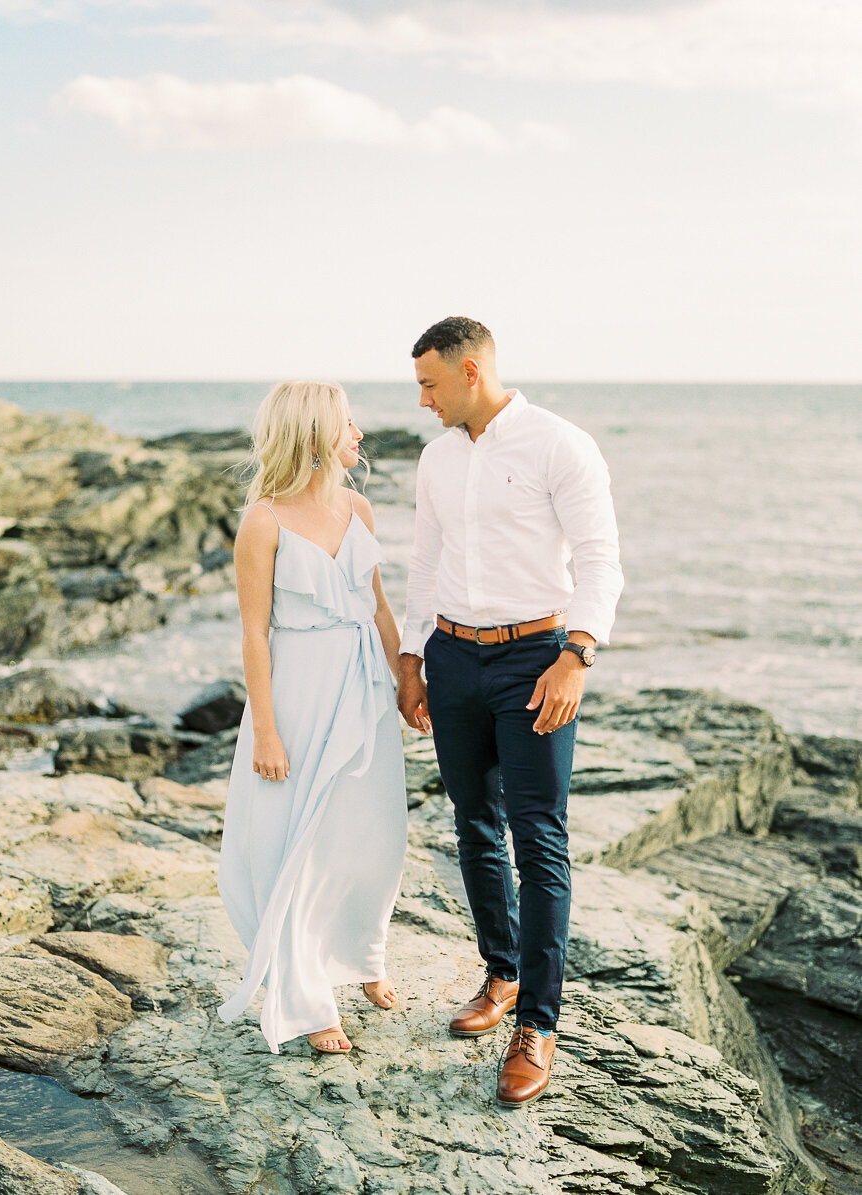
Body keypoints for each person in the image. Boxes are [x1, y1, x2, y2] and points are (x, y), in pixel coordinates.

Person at [396, 317, 623, 1107]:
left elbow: (600, 557)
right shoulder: (435, 457)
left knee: (540, 833)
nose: (421, 399)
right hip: (453, 658)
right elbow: (425, 559)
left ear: (468, 372)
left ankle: (538, 1022)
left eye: (428, 383)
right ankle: (500, 970)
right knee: (473, 821)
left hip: (537, 660)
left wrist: (578, 654)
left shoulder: (560, 444)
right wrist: (412, 659)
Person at [217, 380, 408, 1055]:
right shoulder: (263, 520)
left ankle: (363, 955)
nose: (359, 434)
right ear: (316, 435)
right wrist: (266, 729)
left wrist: (407, 681)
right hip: (297, 695)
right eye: (348, 424)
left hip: (364, 689)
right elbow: (253, 633)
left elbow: (380, 607)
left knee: (372, 833)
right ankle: (303, 995)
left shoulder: (360, 507)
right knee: (294, 842)